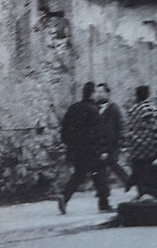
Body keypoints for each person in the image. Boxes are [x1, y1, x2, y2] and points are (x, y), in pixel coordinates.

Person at [58, 81, 110, 213]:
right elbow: (98, 133)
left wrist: (70, 144)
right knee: (100, 175)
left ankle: (64, 196)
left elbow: (64, 130)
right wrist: (102, 150)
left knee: (78, 175)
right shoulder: (93, 110)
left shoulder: (73, 108)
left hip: (77, 150)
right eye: (96, 92)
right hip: (92, 150)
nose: (98, 95)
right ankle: (104, 204)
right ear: (91, 94)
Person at [126, 85, 157, 198]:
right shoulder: (151, 109)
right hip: (150, 148)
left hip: (136, 149)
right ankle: (148, 195)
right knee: (149, 174)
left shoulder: (132, 110)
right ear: (148, 95)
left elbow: (129, 129)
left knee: (139, 173)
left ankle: (141, 194)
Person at [95, 83, 129, 186]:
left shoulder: (113, 108)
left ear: (107, 93)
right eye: (97, 92)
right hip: (99, 143)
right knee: (102, 166)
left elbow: (120, 125)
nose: (99, 94)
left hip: (111, 143)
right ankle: (104, 190)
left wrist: (121, 141)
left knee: (112, 164)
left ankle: (128, 182)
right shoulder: (95, 108)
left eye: (101, 92)